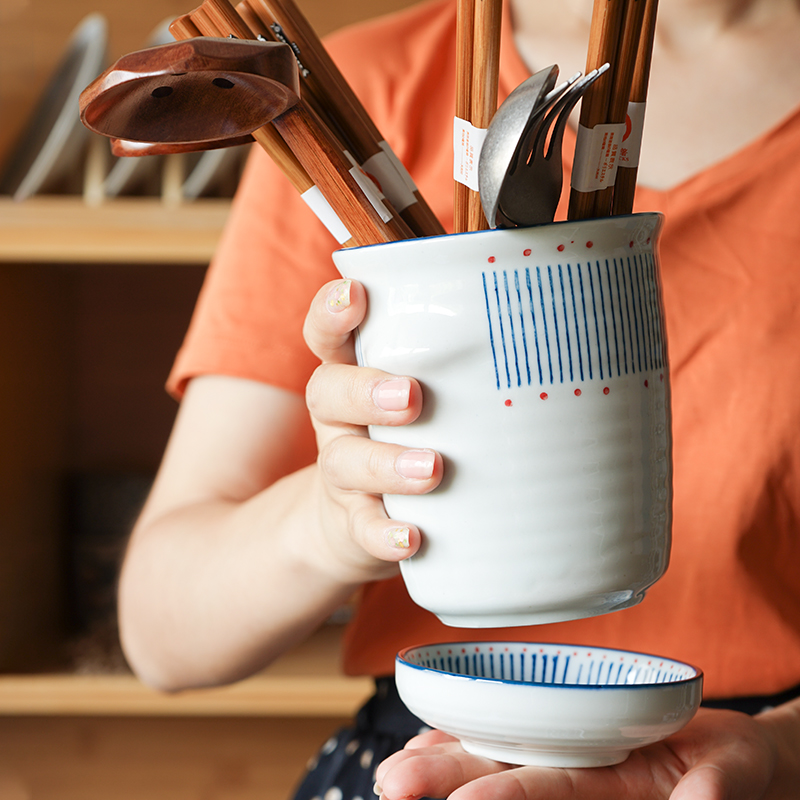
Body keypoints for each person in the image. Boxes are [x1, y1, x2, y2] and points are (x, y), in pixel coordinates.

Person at [117, 0, 800, 797]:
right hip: (421, 758)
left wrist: (783, 752)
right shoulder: (361, 86)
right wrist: (337, 520)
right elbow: (161, 634)